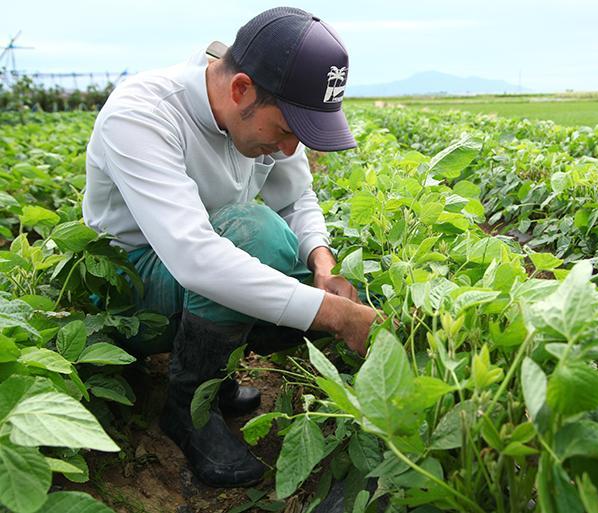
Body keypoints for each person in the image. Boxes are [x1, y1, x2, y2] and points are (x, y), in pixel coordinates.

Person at [82, 7, 378, 488]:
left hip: (193, 272)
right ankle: (186, 410)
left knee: (291, 256)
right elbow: (196, 257)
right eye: (285, 132)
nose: (288, 149)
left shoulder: (264, 108)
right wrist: (335, 316)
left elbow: (297, 196)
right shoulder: (141, 115)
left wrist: (322, 265)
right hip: (125, 290)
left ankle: (214, 383)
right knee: (253, 232)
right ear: (240, 89)